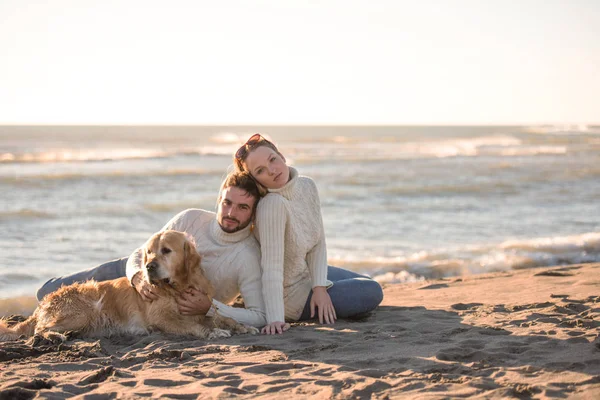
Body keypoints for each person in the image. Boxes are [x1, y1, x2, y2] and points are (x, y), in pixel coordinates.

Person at [36, 171, 266, 328]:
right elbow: (141, 253)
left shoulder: (247, 256)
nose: (230, 213)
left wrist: (211, 308)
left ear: (254, 212)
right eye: (227, 203)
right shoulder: (191, 218)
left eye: (242, 207)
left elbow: (258, 316)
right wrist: (138, 277)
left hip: (165, 294)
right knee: (47, 292)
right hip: (132, 272)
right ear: (218, 200)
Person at [233, 134, 383, 335]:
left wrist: (320, 288)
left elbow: (317, 243)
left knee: (367, 281)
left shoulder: (307, 186)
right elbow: (271, 267)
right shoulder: (272, 205)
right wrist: (276, 319)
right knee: (372, 292)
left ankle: (329, 295)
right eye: (260, 171)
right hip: (290, 296)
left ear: (282, 156)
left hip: (305, 274)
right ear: (255, 180)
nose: (272, 170)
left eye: (272, 160)